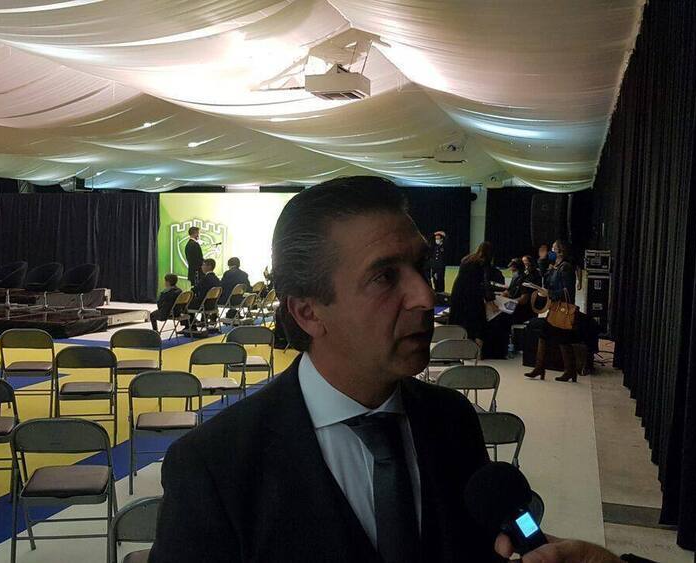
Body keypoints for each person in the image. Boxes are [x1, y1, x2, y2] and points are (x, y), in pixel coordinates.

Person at [151, 176, 623, 563]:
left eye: (420, 266)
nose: (424, 296)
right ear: (308, 312)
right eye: (384, 277)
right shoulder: (215, 465)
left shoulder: (452, 420)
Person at [525, 239, 587, 382]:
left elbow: (567, 291)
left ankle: (553, 369)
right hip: (556, 308)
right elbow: (546, 278)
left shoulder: (566, 267)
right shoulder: (556, 266)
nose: (550, 252)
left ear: (560, 251)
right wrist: (542, 260)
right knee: (553, 337)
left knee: (560, 339)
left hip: (562, 309)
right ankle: (547, 368)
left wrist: (550, 293)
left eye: (553, 249)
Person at [448, 241, 498, 349]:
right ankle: (477, 348)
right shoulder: (483, 262)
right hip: (471, 294)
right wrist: (490, 301)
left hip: (458, 292)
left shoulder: (467, 259)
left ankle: (456, 345)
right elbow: (485, 283)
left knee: (459, 318)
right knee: (478, 321)